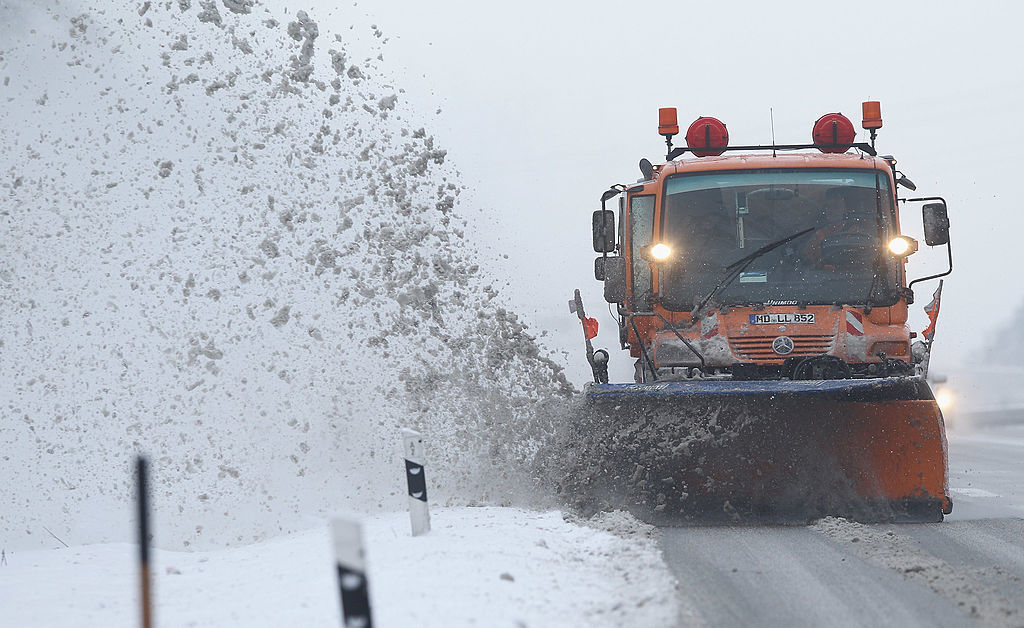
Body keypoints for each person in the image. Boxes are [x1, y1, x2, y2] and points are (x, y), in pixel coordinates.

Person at [803, 188, 874, 266]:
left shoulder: (855, 232)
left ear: (845, 210)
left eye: (836, 207)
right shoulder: (819, 235)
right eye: (828, 207)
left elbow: (866, 259)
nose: (831, 210)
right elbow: (808, 261)